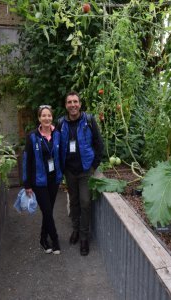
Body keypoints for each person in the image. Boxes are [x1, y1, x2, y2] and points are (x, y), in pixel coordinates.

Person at [58, 91, 104, 256]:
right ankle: (76, 230)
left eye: (75, 101)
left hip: (85, 170)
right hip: (70, 171)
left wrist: (93, 166)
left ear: (80, 104)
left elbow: (99, 144)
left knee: (85, 202)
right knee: (75, 202)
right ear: (66, 105)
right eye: (69, 102)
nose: (73, 105)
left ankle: (84, 237)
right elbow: (57, 146)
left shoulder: (89, 121)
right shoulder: (61, 123)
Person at [23, 105, 63, 254]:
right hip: (39, 181)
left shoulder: (57, 134)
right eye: (43, 116)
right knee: (47, 211)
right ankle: (55, 240)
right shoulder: (32, 136)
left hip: (54, 179)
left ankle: (42, 238)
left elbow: (61, 155)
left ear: (52, 117)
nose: (47, 118)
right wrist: (27, 183)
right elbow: (26, 160)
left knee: (48, 212)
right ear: (39, 118)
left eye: (49, 115)